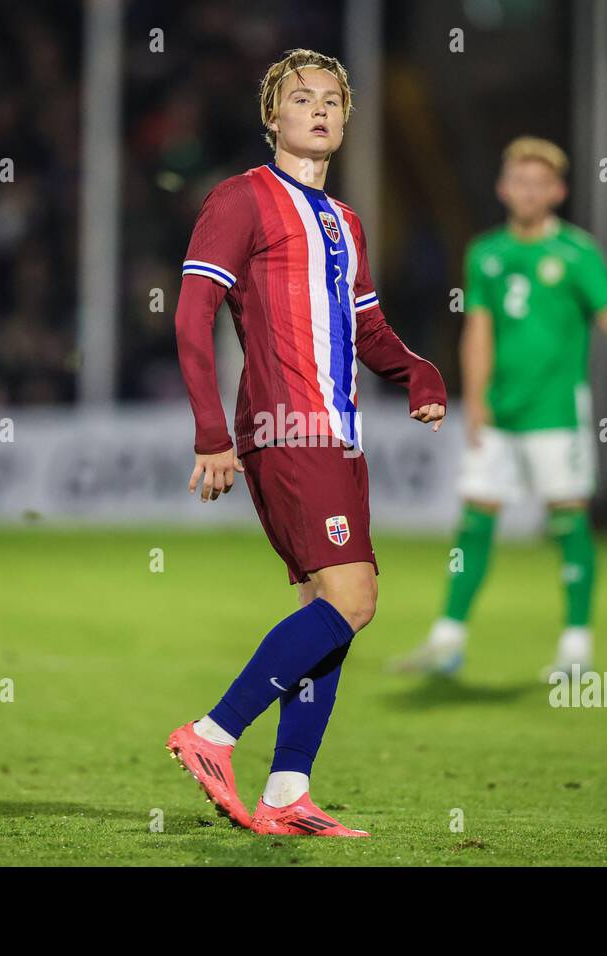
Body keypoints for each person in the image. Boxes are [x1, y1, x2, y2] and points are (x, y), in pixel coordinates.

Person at [169, 49, 447, 837]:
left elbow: (367, 327)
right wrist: (212, 433)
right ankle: (213, 735)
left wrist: (418, 371)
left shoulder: (346, 222)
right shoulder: (241, 199)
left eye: (332, 99)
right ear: (273, 117)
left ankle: (287, 792)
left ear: (346, 120)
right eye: (301, 98)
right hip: (290, 430)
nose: (319, 109)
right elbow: (192, 317)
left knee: (324, 610)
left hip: (340, 435)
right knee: (356, 599)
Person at [390, 137, 607, 680]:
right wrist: (472, 397)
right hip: (498, 413)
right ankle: (448, 639)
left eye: (540, 182)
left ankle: (576, 647)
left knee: (568, 521)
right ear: (503, 188)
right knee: (474, 520)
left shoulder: (576, 253)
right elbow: (479, 330)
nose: (529, 191)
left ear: (558, 191)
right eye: (519, 180)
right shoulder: (485, 252)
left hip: (556, 414)